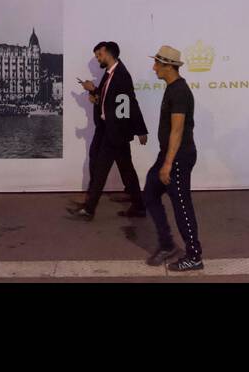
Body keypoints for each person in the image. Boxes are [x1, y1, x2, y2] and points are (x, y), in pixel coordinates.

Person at [69, 41, 148, 220]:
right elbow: (110, 100)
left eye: (99, 55)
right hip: (110, 130)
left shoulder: (121, 75)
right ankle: (139, 207)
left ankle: (89, 209)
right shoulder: (110, 73)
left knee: (101, 169)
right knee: (126, 170)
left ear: (108, 53)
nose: (98, 59)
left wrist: (140, 130)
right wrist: (95, 93)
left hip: (114, 132)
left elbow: (129, 104)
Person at [142, 45, 203, 273]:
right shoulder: (172, 88)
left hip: (178, 157)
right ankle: (167, 244)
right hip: (169, 154)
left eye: (157, 63)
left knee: (182, 206)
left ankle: (194, 256)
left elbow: (177, 131)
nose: (154, 67)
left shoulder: (179, 92)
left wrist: (168, 164)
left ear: (168, 66)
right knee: (150, 194)